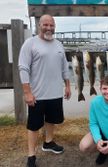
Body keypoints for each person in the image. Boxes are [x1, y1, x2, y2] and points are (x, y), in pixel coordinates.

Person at [18, 14, 71, 167]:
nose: (49, 28)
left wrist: (67, 85)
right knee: (33, 125)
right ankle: (31, 155)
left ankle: (48, 142)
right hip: (37, 94)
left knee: (51, 120)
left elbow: (64, 68)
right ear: (39, 25)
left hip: (55, 93)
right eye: (45, 25)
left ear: (54, 27)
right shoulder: (30, 43)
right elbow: (23, 68)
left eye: (51, 25)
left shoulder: (59, 44)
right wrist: (27, 92)